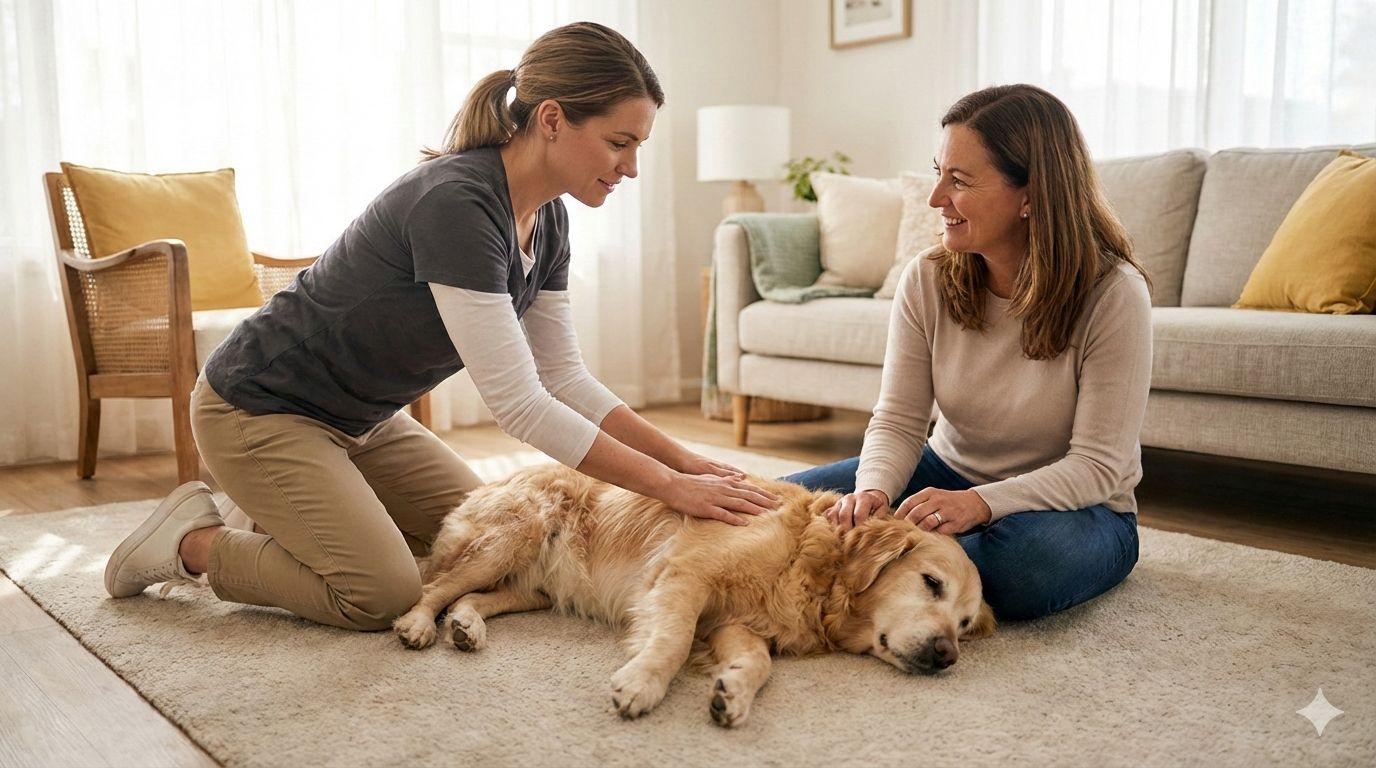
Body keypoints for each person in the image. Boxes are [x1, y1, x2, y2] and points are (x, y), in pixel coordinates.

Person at [104, 21, 778, 631]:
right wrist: (666, 485)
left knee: (497, 547)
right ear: (551, 120)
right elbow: (518, 402)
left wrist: (687, 460)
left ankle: (275, 512)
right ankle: (190, 541)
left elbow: (563, 376)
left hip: (364, 420)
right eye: (619, 143)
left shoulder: (549, 218)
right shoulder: (457, 202)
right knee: (381, 593)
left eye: (638, 147)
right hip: (258, 409)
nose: (631, 167)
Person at [785, 84, 1153, 621]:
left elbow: (1099, 466)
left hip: (1076, 507)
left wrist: (980, 504)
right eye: (939, 172)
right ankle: (897, 563)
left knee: (1027, 568)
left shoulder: (1114, 292)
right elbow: (899, 419)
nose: (936, 199)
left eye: (958, 181)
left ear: (1030, 195)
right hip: (944, 470)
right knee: (781, 505)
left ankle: (871, 565)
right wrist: (872, 493)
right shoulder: (927, 277)